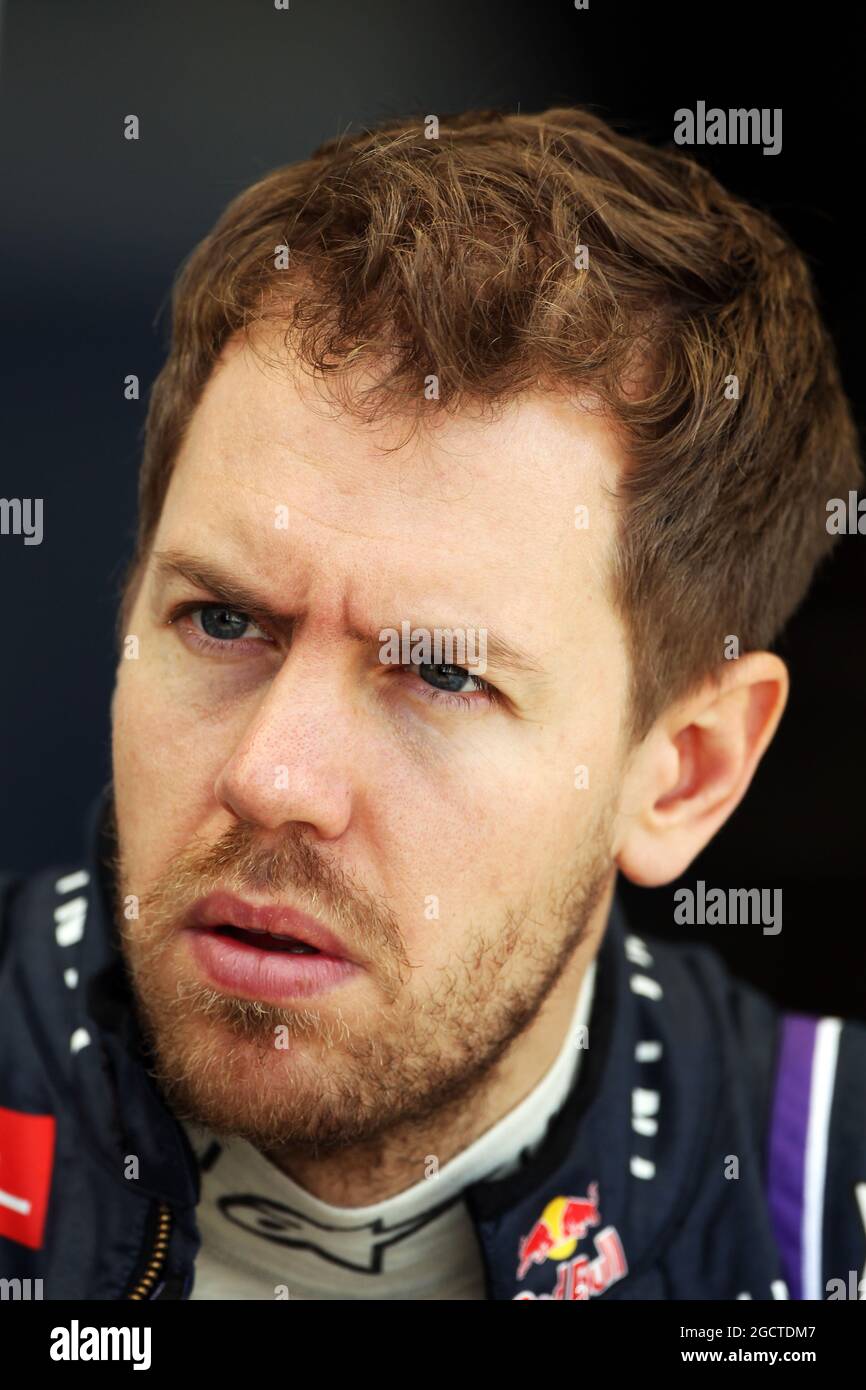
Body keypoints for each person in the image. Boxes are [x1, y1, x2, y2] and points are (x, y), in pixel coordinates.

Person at [1, 106, 862, 1302]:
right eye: (223, 620)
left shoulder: (818, 1215)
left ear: (683, 771)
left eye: (442, 674)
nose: (271, 776)